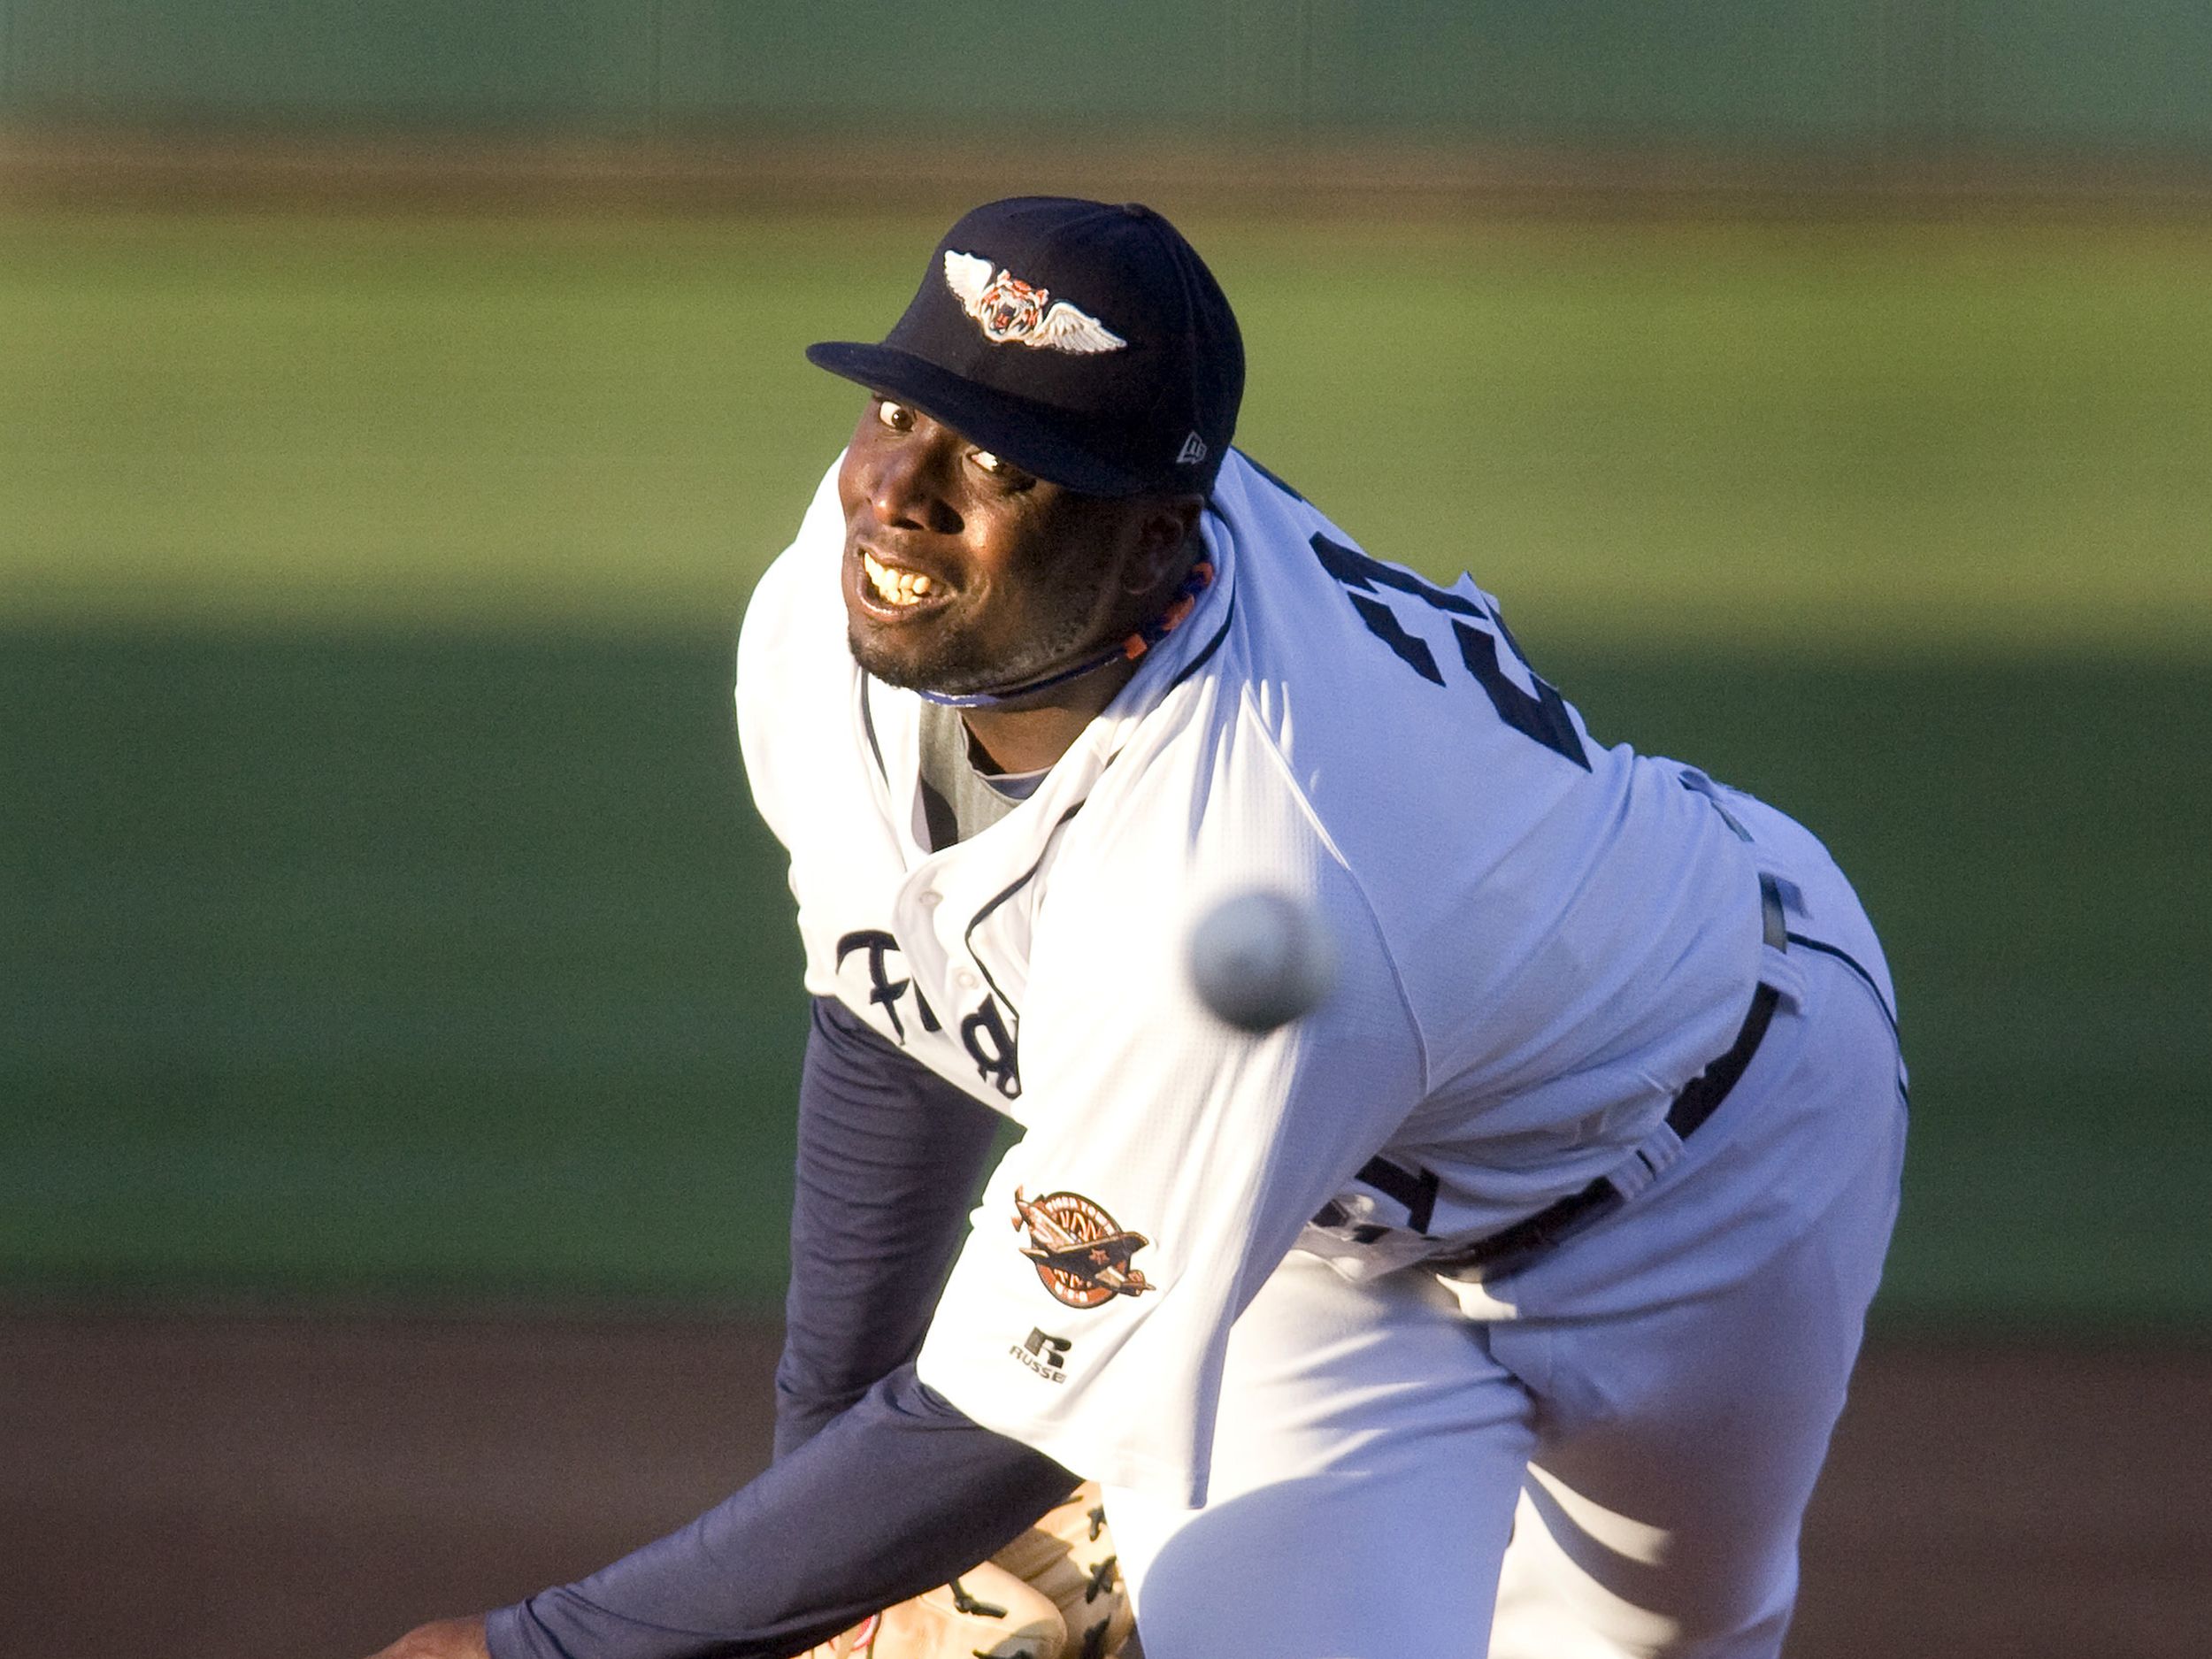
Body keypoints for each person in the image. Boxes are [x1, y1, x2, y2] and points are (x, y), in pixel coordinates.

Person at [369, 196, 1907, 1659]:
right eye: (902, 411)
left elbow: (1006, 1421)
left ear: (1167, 541)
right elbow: (900, 1016)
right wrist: (814, 1523)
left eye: (1001, 462)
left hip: (1726, 1150)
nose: (898, 495)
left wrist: (548, 1644)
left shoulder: (1253, 865)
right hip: (1316, 1233)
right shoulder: (836, 630)